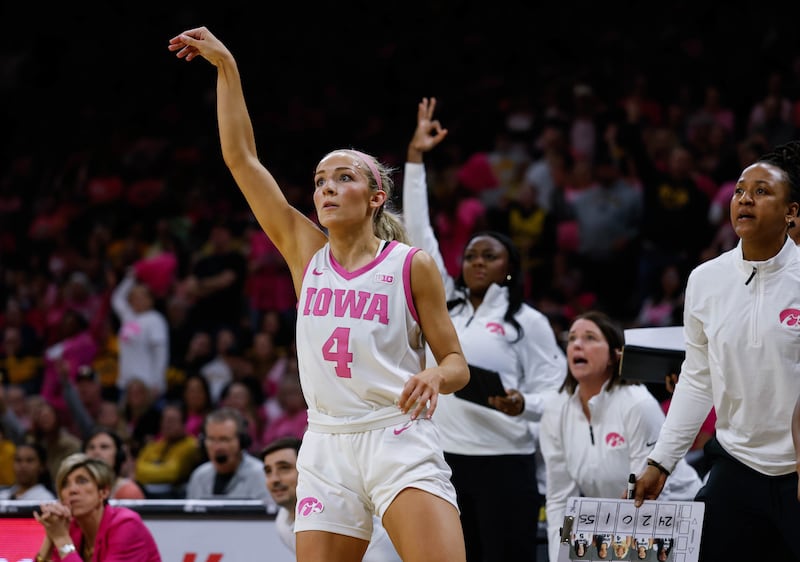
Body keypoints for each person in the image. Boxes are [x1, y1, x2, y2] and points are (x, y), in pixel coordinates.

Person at [169, 27, 470, 562]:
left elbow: (455, 364)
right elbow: (242, 160)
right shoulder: (304, 253)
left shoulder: (410, 265)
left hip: (395, 435)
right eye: (320, 179)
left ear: (376, 197)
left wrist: (433, 375)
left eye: (343, 177)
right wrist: (227, 67)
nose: (327, 187)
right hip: (326, 442)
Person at [402, 97, 566, 561]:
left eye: (488, 256)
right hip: (442, 460)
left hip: (505, 464)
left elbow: (555, 392)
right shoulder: (444, 303)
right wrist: (415, 159)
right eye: (471, 254)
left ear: (509, 268)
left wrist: (522, 404)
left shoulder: (527, 324)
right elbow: (418, 231)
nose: (476, 261)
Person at [633, 141, 800, 562]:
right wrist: (661, 461)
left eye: (762, 191)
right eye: (741, 190)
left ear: (792, 213)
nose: (745, 198)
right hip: (737, 463)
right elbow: (697, 377)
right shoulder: (705, 280)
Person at [540, 311, 702, 562]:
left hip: (675, 512)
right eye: (571, 338)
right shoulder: (555, 411)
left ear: (614, 356)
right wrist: (558, 556)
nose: (577, 344)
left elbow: (653, 496)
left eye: (590, 337)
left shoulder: (637, 404)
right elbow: (560, 499)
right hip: (615, 520)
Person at [261, 437, 401, 562]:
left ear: (307, 469)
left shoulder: (341, 504)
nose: (274, 479)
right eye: (268, 471)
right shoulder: (282, 523)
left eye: (284, 468)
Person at [33, 453, 161, 562]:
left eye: (82, 481)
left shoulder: (126, 525)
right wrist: (51, 536)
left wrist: (61, 538)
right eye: (65, 484)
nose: (72, 490)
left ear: (104, 492)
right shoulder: (71, 527)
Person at [185, 407, 273, 505]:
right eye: (211, 439)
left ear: (242, 442)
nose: (217, 447)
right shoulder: (199, 476)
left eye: (224, 439)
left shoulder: (260, 475)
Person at [135, 401, 200, 498]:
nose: (166, 424)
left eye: (171, 420)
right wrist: (161, 469)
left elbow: (173, 473)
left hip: (177, 496)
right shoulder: (156, 445)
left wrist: (148, 470)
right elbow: (138, 469)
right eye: (164, 420)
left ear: (184, 424)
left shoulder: (191, 445)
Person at [82, 427, 145, 500]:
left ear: (118, 455)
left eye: (104, 447)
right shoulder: (77, 489)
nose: (96, 452)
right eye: (91, 447)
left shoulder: (129, 491)